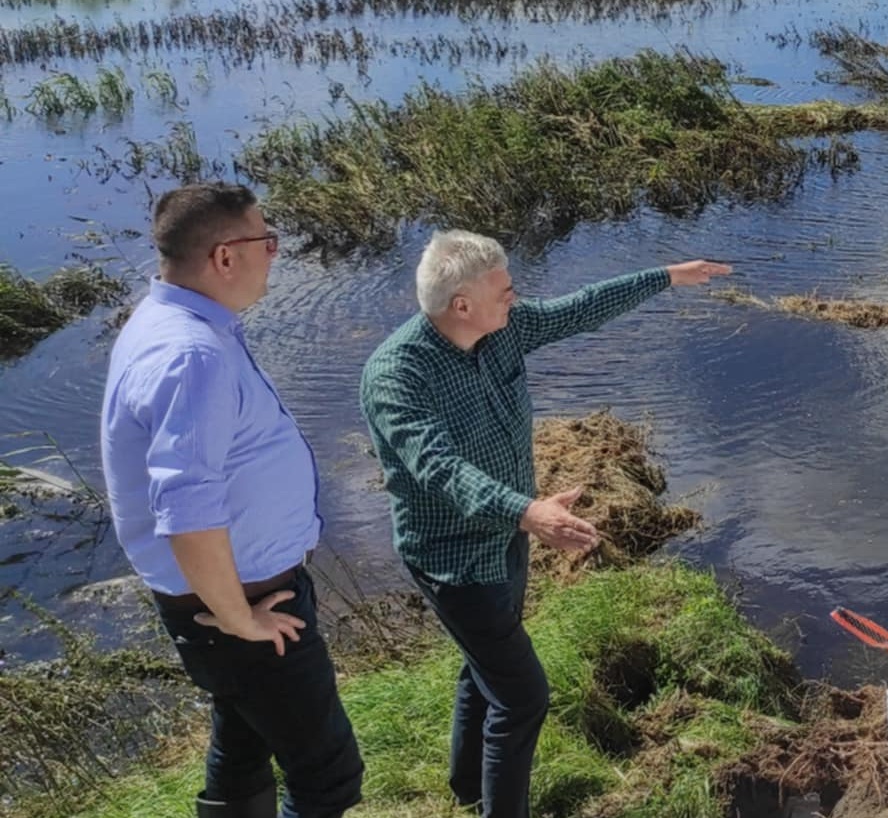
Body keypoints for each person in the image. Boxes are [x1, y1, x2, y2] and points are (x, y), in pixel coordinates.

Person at [358, 230, 729, 817]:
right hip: (451, 555)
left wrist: (666, 276)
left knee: (483, 669)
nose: (516, 297)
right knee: (523, 697)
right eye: (504, 290)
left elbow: (577, 310)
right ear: (462, 305)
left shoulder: (502, 330)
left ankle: (465, 789)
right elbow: (438, 468)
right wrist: (529, 511)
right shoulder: (397, 375)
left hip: (509, 536)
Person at [100, 183, 364, 818]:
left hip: (224, 604)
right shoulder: (191, 353)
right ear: (224, 257)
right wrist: (240, 620)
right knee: (327, 777)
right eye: (267, 240)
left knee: (244, 746)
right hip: (241, 606)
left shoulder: (172, 322)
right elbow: (187, 512)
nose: (276, 253)